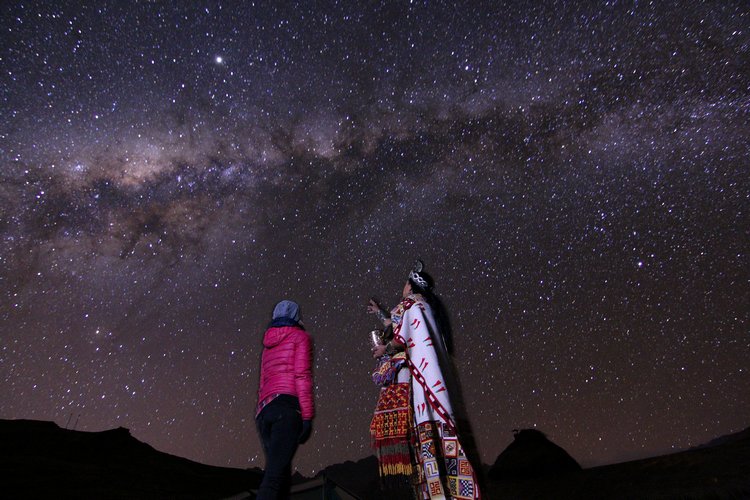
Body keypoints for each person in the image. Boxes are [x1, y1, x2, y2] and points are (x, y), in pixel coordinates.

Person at [368, 261, 481, 499]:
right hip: (433, 381)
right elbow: (399, 325)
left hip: (417, 383)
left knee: (419, 441)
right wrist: (380, 312)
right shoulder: (427, 306)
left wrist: (384, 349)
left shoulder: (409, 304)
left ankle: (434, 493)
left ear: (410, 285)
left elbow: (400, 336)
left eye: (404, 283)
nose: (402, 287)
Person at [255, 300, 314, 499]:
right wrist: (307, 416)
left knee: (281, 478)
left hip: (264, 412)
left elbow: (264, 382)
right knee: (273, 480)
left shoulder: (268, 343)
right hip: (286, 409)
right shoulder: (300, 337)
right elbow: (302, 376)